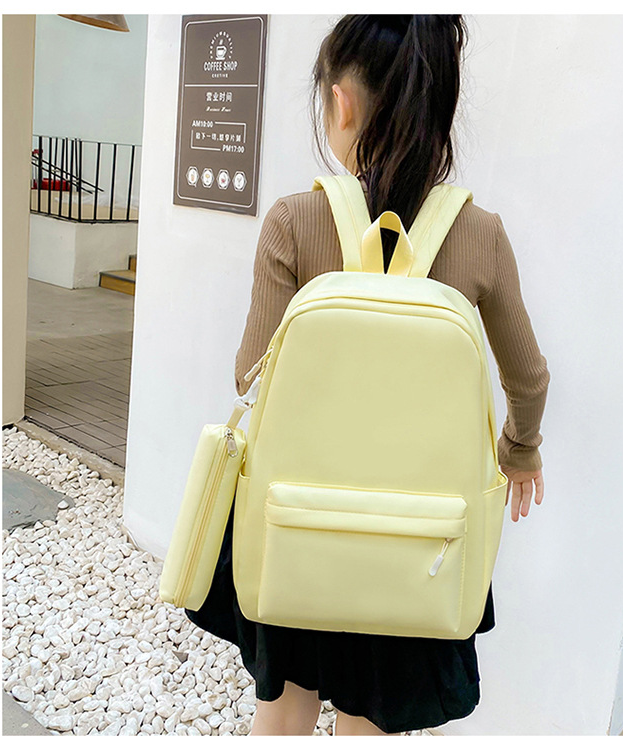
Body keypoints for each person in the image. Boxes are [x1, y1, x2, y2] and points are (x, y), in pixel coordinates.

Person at [186, 14, 550, 736]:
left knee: (283, 706)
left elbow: (250, 375)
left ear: (341, 103)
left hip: (298, 521)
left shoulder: (294, 221)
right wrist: (521, 451)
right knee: (368, 719)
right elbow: (529, 380)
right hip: (416, 541)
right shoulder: (481, 235)